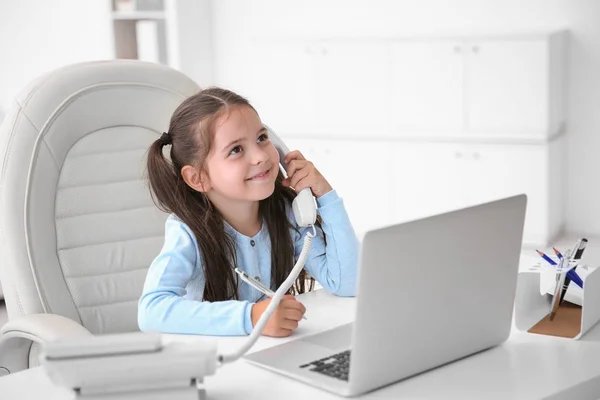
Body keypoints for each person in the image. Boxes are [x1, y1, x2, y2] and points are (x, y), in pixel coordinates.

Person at [138, 87, 358, 337]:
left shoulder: (286, 215)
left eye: (262, 138)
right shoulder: (187, 233)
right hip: (215, 363)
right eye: (236, 150)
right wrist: (251, 317)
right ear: (198, 177)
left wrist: (325, 196)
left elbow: (348, 283)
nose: (260, 156)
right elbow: (150, 311)